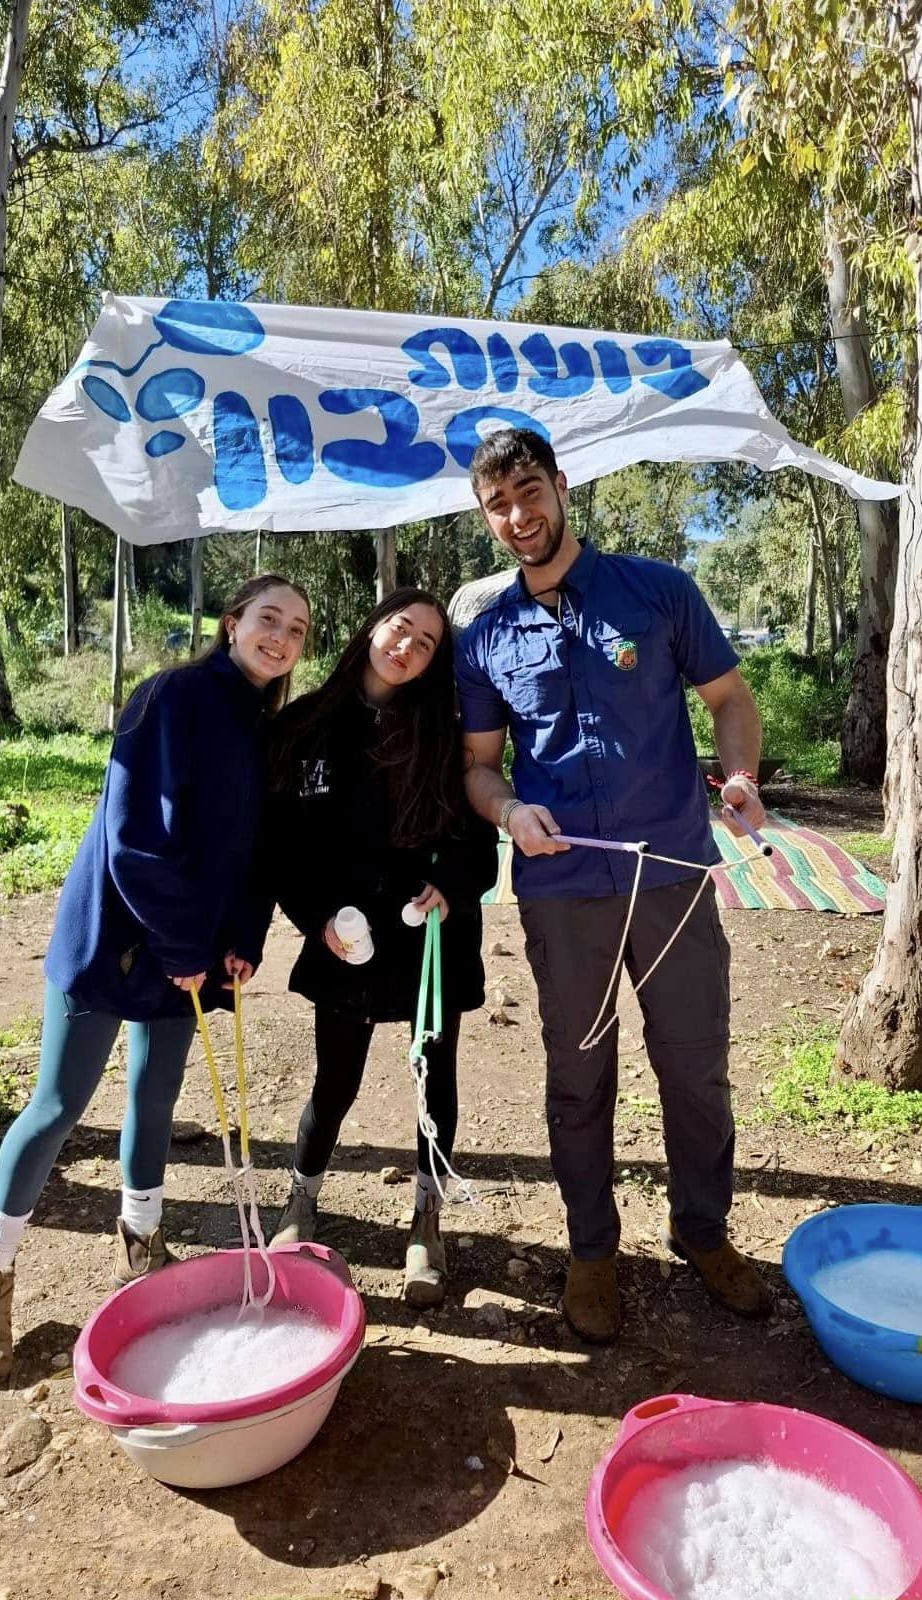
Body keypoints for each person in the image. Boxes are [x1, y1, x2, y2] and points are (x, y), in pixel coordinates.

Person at [454, 427, 772, 1345]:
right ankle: (591, 1249)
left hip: (671, 875)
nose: (518, 516)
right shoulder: (487, 637)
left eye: (529, 491)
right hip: (563, 892)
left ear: (561, 485)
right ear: (487, 519)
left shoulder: (658, 592)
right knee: (579, 1074)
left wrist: (739, 776)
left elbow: (730, 700)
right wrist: (509, 810)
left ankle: (702, 1231)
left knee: (695, 1064)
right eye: (498, 505)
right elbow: (479, 767)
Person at [0, 575, 312, 1387]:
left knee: (155, 1097)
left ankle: (140, 1244)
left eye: (297, 629)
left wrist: (243, 937)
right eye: (268, 619)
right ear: (231, 624)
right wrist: (182, 942)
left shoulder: (267, 726)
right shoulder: (171, 698)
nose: (282, 638)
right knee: (57, 1105)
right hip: (114, 940)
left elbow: (258, 851)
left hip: (190, 953)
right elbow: (133, 837)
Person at [262, 588, 497, 1308]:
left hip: (430, 940)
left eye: (427, 643)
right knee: (335, 1079)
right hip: (344, 940)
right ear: (371, 627)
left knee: (435, 1076)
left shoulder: (445, 735)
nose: (408, 648)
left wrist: (449, 887)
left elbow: (479, 849)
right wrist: (315, 920)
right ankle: (300, 1198)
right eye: (401, 629)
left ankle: (427, 1216)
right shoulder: (304, 726)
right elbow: (280, 848)